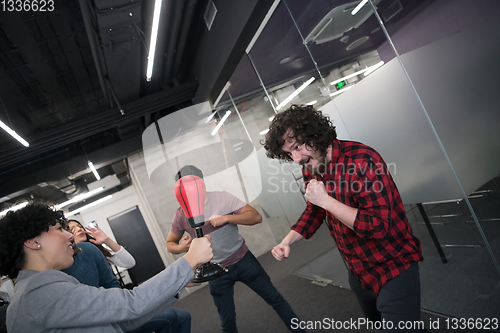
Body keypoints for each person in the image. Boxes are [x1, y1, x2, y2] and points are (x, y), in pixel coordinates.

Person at [263, 105, 425, 332]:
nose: (296, 158)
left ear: (315, 134)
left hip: (393, 265)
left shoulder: (363, 159)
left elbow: (377, 226)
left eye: (297, 147)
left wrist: (326, 201)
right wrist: (287, 241)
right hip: (358, 270)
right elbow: (315, 210)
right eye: (289, 153)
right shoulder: (312, 165)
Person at [0, 201, 213, 333]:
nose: (68, 236)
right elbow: (132, 304)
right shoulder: (39, 296)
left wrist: (179, 280)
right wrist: (189, 260)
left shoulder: (46, 288)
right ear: (32, 241)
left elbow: (122, 321)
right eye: (58, 229)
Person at [166, 165, 304, 333]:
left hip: (243, 260)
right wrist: (181, 247)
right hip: (216, 272)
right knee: (227, 321)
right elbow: (170, 244)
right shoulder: (181, 214)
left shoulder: (222, 198)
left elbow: (256, 217)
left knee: (276, 300)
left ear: (201, 182)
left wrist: (226, 218)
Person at [64, 219, 192, 333]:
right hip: (113, 315)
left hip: (120, 306)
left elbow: (130, 262)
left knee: (183, 317)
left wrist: (107, 240)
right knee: (171, 317)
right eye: (71, 229)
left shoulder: (94, 250)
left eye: (79, 226)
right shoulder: (69, 262)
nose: (78, 229)